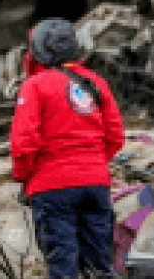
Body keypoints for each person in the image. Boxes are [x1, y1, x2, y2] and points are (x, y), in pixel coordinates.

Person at [11, 18, 124, 279]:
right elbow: (116, 136)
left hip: (52, 189)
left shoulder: (35, 85)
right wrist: (92, 163)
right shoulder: (96, 82)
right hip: (95, 185)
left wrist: (24, 176)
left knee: (63, 266)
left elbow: (23, 144)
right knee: (99, 265)